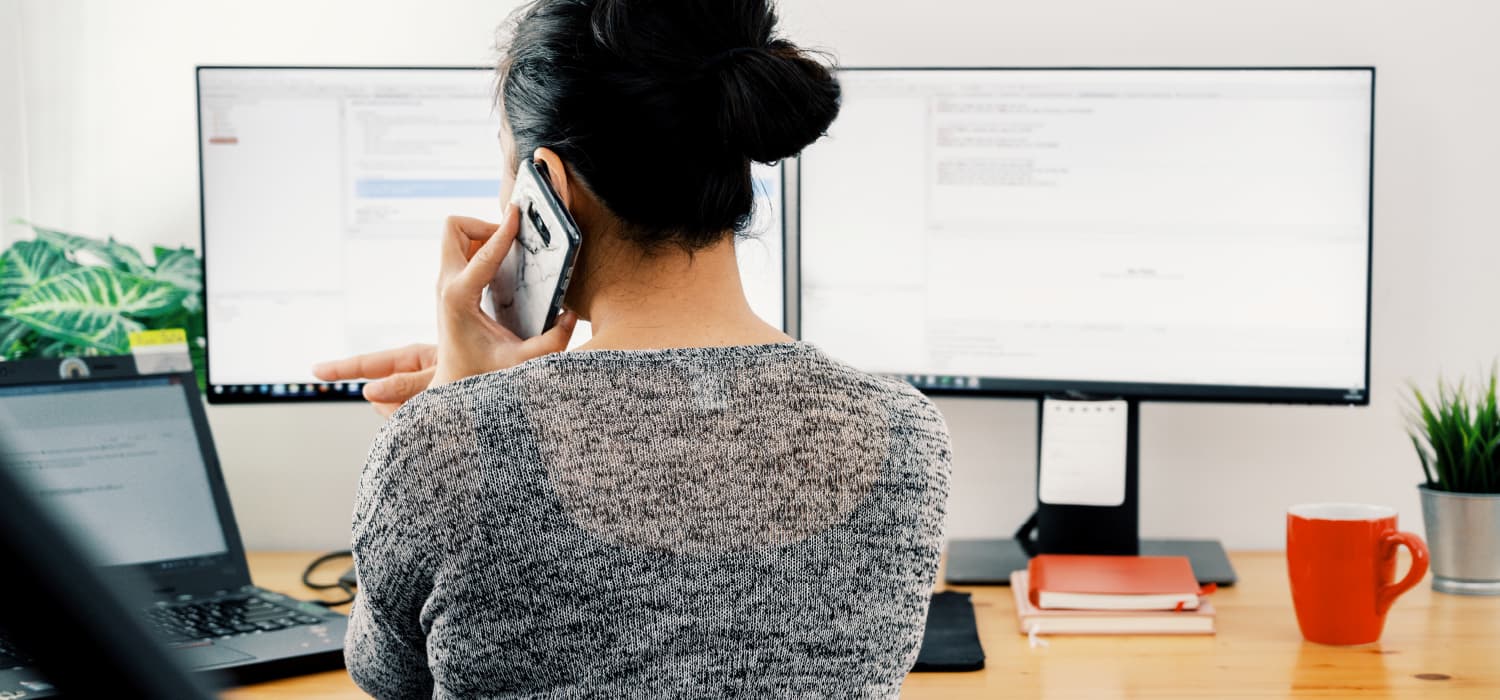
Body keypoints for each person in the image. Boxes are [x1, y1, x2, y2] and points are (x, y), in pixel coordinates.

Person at [312, 0, 951, 696]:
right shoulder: (906, 433)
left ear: (547, 187)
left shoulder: (438, 445)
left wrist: (454, 415)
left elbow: (386, 680)